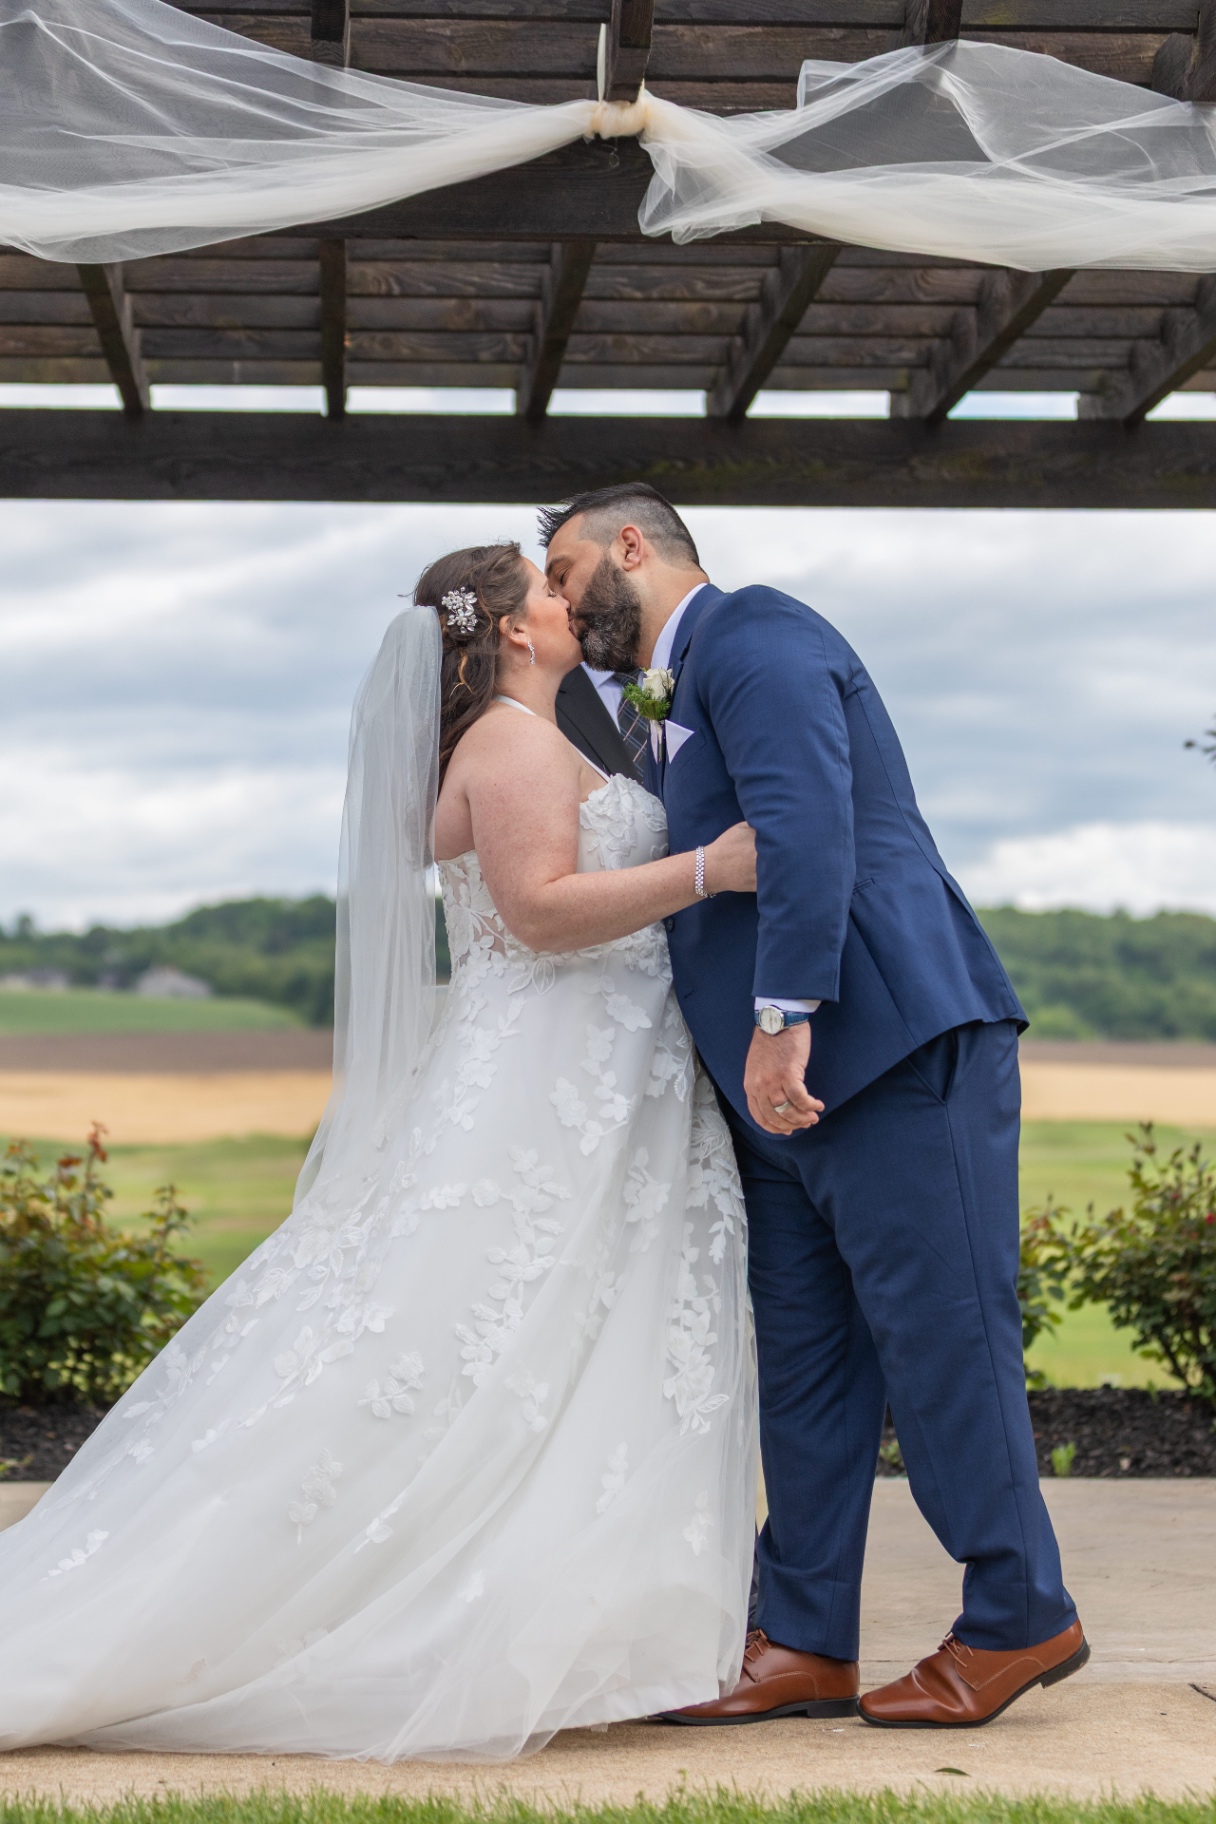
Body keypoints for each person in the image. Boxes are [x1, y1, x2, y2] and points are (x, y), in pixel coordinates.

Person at [0, 542, 764, 1762]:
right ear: (513, 631)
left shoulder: (532, 733)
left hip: (602, 1073)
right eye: (549, 588)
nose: (572, 601)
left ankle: (568, 1619)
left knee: (567, 1343)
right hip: (548, 1078)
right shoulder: (512, 744)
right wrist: (707, 868)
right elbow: (538, 912)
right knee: (464, 1342)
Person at [543, 485, 1088, 1731]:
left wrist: (785, 1015)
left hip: (881, 1045)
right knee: (805, 1357)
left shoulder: (760, 637)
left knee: (943, 1334)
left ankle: (1018, 1612)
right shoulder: (661, 693)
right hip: (775, 1092)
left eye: (568, 574)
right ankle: (801, 1636)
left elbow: (804, 825)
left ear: (634, 545)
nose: (564, 606)